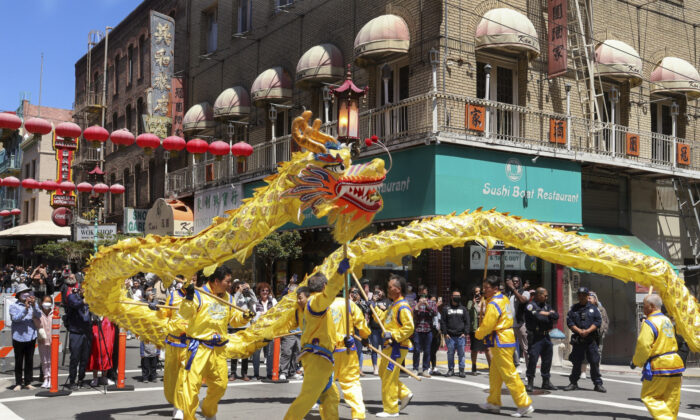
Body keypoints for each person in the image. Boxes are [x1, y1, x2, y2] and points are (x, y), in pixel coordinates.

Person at [175, 266, 254, 420]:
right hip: (199, 348)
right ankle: (188, 417)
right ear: (216, 281)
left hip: (218, 350)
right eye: (228, 281)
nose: (230, 284)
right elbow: (185, 314)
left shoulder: (229, 298)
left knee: (220, 385)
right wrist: (189, 297)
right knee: (191, 387)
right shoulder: (199, 294)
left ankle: (208, 409)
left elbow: (234, 320)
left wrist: (245, 317)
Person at [284, 263, 348, 420]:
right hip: (317, 358)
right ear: (324, 286)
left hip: (322, 358)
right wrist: (339, 273)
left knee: (331, 396)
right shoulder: (315, 302)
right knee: (307, 398)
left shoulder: (311, 305)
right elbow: (330, 293)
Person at [475, 275, 533, 417]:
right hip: (503, 338)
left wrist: (478, 333)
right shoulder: (503, 298)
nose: (484, 290)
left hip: (501, 339)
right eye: (484, 288)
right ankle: (493, 402)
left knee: (509, 373)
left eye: (487, 288)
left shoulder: (494, 303)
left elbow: (488, 324)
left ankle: (524, 403)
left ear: (495, 289)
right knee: (495, 374)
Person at [630, 294, 685, 419]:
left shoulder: (650, 323)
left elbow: (644, 346)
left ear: (652, 306)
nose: (643, 308)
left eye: (645, 305)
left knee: (649, 396)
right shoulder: (667, 321)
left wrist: (636, 362)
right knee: (671, 399)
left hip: (660, 364)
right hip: (675, 363)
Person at [375, 274, 415, 418]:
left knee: (388, 377)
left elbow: (409, 327)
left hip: (397, 347)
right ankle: (404, 394)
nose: (388, 289)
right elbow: (384, 320)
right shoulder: (394, 305)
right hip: (389, 346)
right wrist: (373, 308)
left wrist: (393, 335)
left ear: (398, 289)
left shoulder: (403, 306)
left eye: (390, 287)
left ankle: (391, 409)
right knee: (383, 373)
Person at [329, 285, 371, 420]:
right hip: (348, 349)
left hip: (329, 350)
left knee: (327, 382)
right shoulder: (350, 304)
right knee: (351, 382)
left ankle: (330, 414)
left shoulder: (324, 305)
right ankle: (358, 414)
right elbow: (362, 324)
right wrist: (365, 337)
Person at [151, 273, 189, 420]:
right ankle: (176, 402)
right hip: (173, 342)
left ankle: (180, 407)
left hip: (190, 344)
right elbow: (165, 314)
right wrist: (157, 308)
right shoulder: (173, 296)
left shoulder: (200, 296)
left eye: (193, 279)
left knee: (184, 376)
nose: (188, 282)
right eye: (186, 279)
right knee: (171, 377)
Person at [564, 287, 606, 393]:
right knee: (577, 362)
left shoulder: (594, 308)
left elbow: (598, 322)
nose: (581, 297)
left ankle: (598, 384)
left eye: (584, 295)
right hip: (579, 339)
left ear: (588, 296)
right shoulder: (574, 308)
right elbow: (570, 322)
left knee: (594, 361)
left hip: (591, 340)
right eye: (579, 295)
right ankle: (573, 383)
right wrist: (579, 331)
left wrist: (587, 331)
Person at [523, 287, 558, 392]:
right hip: (535, 337)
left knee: (547, 359)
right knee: (533, 359)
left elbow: (556, 316)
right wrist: (548, 315)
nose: (547, 297)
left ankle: (546, 382)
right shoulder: (530, 306)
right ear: (538, 295)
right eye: (545, 295)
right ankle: (530, 382)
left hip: (546, 336)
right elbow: (539, 317)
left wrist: (547, 314)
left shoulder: (547, 306)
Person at [9, 284, 41, 390]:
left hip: (31, 336)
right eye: (24, 292)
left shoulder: (32, 304)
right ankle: (18, 383)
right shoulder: (13, 306)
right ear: (18, 295)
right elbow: (15, 319)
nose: (26, 294)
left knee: (29, 360)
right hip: (18, 336)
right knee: (18, 360)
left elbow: (39, 315)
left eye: (28, 291)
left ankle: (28, 382)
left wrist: (34, 304)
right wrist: (25, 309)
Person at [65, 280, 92, 390]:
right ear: (80, 288)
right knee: (75, 357)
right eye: (85, 289)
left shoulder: (90, 299)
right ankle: (72, 381)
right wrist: (84, 301)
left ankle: (81, 379)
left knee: (85, 358)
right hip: (76, 332)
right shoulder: (72, 297)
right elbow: (75, 305)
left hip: (87, 331)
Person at [231, 280, 257, 381]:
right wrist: (238, 292)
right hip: (234, 327)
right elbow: (232, 303)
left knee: (245, 351)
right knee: (234, 350)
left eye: (241, 287)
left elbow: (254, 300)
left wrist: (249, 290)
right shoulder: (232, 297)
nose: (240, 289)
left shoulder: (246, 297)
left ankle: (244, 373)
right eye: (237, 287)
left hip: (245, 327)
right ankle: (233, 372)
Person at [441, 289, 470, 377]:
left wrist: (465, 333)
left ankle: (461, 370)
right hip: (450, 336)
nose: (457, 297)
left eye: (458, 296)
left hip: (461, 336)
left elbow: (467, 322)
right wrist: (445, 333)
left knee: (461, 354)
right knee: (450, 354)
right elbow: (443, 322)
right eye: (455, 296)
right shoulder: (446, 308)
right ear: (451, 297)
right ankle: (451, 370)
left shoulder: (463, 309)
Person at [581, 291, 609, 379]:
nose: (588, 299)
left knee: (598, 353)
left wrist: (604, 330)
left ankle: (596, 372)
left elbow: (606, 320)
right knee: (585, 353)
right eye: (587, 298)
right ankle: (583, 372)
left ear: (595, 299)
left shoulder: (601, 309)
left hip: (598, 335)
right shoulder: (582, 308)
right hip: (586, 334)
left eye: (590, 298)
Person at [253, 282, 277, 380]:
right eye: (263, 290)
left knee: (270, 353)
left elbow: (277, 314)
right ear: (259, 291)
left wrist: (268, 315)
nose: (265, 292)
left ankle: (269, 373)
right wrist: (259, 315)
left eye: (267, 290)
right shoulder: (255, 304)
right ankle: (256, 374)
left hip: (270, 330)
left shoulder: (274, 301)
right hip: (259, 331)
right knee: (257, 353)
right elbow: (253, 320)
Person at [412, 285, 437, 377]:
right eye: (421, 292)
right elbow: (412, 312)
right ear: (419, 293)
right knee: (417, 350)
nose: (423, 294)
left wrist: (427, 305)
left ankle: (425, 369)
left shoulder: (431, 302)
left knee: (427, 350)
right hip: (418, 329)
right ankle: (415, 368)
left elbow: (435, 313)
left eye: (424, 292)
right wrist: (418, 304)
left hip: (428, 329)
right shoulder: (415, 302)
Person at [279, 282, 302, 381]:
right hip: (288, 331)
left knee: (296, 353)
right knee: (287, 352)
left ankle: (292, 372)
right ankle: (283, 371)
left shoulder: (301, 302)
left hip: (299, 332)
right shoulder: (286, 302)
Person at [506, 276, 530, 368]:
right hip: (510, 325)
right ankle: (516, 365)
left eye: (516, 282)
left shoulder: (525, 292)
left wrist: (513, 288)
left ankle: (529, 371)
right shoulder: (509, 294)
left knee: (526, 348)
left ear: (519, 283)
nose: (515, 283)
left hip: (521, 324)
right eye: (513, 282)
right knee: (510, 347)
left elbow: (522, 300)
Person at [467, 286, 491, 374]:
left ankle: (491, 367)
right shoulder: (471, 302)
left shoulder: (486, 301)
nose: (478, 294)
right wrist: (473, 304)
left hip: (485, 328)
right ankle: (474, 366)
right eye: (475, 292)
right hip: (475, 328)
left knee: (487, 348)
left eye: (479, 292)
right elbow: (468, 311)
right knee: (475, 349)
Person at [88, 315, 116, 387]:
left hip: (109, 324)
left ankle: (104, 377)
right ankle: (95, 378)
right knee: (96, 350)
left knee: (108, 351)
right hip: (98, 324)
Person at [368, 287, 390, 375]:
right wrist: (372, 301)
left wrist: (384, 308)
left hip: (384, 329)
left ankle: (383, 367)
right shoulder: (372, 301)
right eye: (376, 292)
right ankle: (375, 368)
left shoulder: (387, 301)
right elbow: (368, 311)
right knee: (375, 349)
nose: (378, 293)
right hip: (374, 329)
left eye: (380, 291)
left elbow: (391, 313)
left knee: (385, 349)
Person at [38, 295, 53, 388]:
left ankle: (51, 378)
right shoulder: (38, 314)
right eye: (45, 302)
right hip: (42, 340)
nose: (47, 304)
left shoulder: (54, 313)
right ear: (41, 303)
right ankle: (45, 378)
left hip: (52, 341)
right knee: (44, 361)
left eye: (49, 302)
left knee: (51, 360)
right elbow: (36, 323)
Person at [428, 296, 442, 375]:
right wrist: (435, 306)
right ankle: (427, 367)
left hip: (437, 334)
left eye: (435, 301)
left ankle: (434, 367)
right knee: (429, 351)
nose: (434, 303)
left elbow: (440, 322)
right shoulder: (428, 310)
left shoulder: (438, 312)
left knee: (434, 351)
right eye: (432, 301)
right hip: (430, 332)